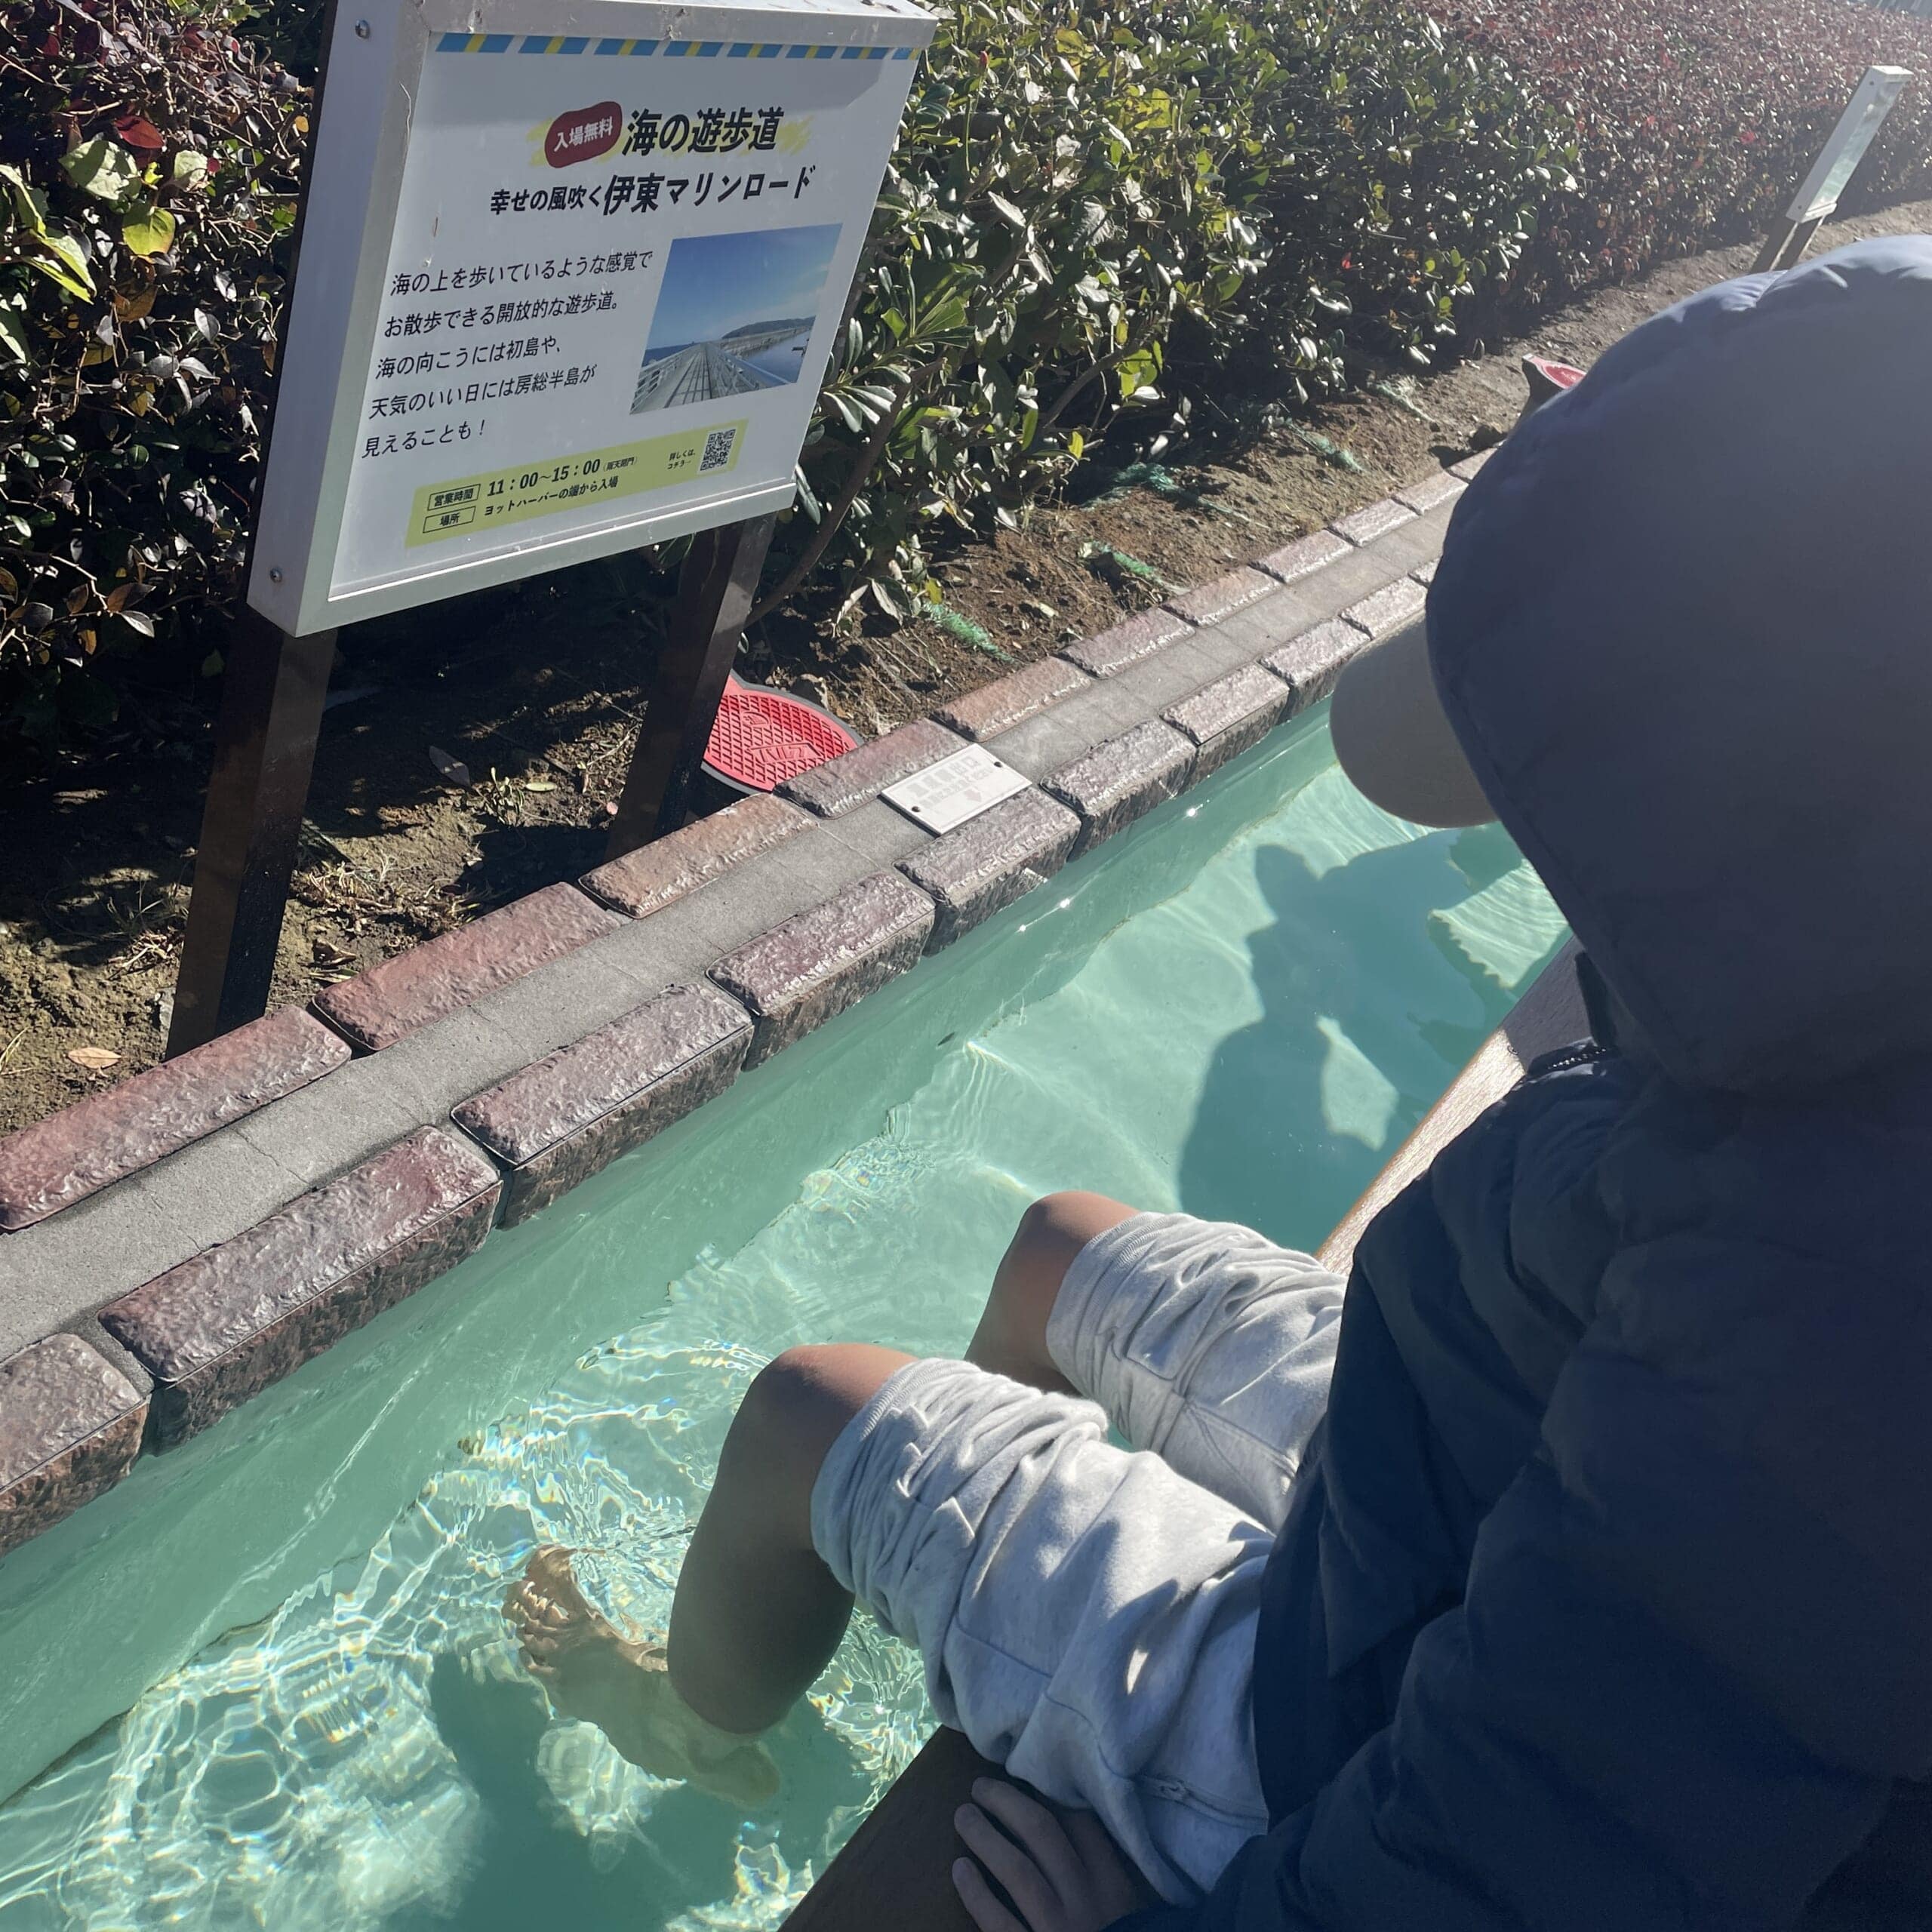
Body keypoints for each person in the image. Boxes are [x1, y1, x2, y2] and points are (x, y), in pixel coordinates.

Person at [507, 235, 1932, 1930]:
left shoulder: (1838, 1310)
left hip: (1354, 1733)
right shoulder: (1831, 1003)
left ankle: (691, 1725)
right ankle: (971, 1640)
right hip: (1473, 1441)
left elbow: (1536, 1856)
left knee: (800, 1411)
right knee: (1053, 1246)